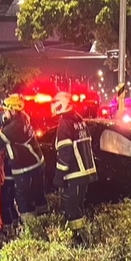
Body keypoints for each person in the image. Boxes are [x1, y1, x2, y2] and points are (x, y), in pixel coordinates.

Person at [51, 92, 97, 244]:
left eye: (55, 102)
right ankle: (84, 239)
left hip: (74, 174)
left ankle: (79, 241)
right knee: (78, 207)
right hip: (84, 173)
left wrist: (59, 175)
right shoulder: (78, 119)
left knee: (72, 209)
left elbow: (65, 152)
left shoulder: (65, 123)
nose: (53, 105)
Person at [0, 94, 48, 221]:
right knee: (38, 195)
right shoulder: (23, 118)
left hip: (24, 166)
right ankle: (44, 219)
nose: (4, 113)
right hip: (37, 162)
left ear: (13, 110)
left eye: (6, 110)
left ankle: (30, 225)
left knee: (23, 198)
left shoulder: (12, 128)